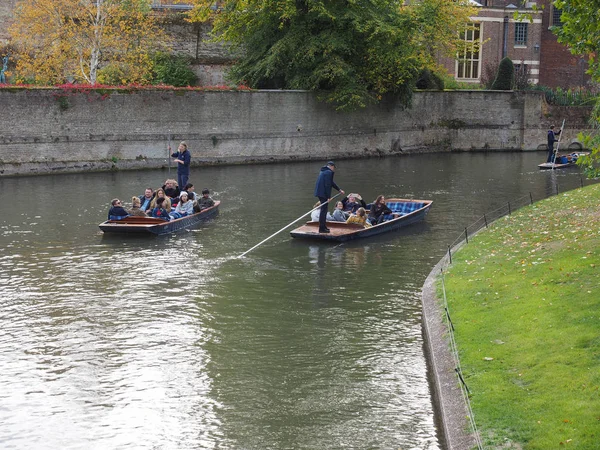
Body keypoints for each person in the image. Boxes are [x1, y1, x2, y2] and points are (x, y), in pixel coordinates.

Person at [313, 161, 344, 233]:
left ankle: (323, 227)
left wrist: (339, 189)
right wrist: (328, 197)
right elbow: (327, 185)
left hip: (320, 193)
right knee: (324, 211)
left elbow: (331, 182)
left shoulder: (323, 171)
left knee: (324, 210)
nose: (334, 170)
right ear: (332, 166)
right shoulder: (329, 172)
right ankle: (322, 229)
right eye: (334, 168)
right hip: (323, 193)